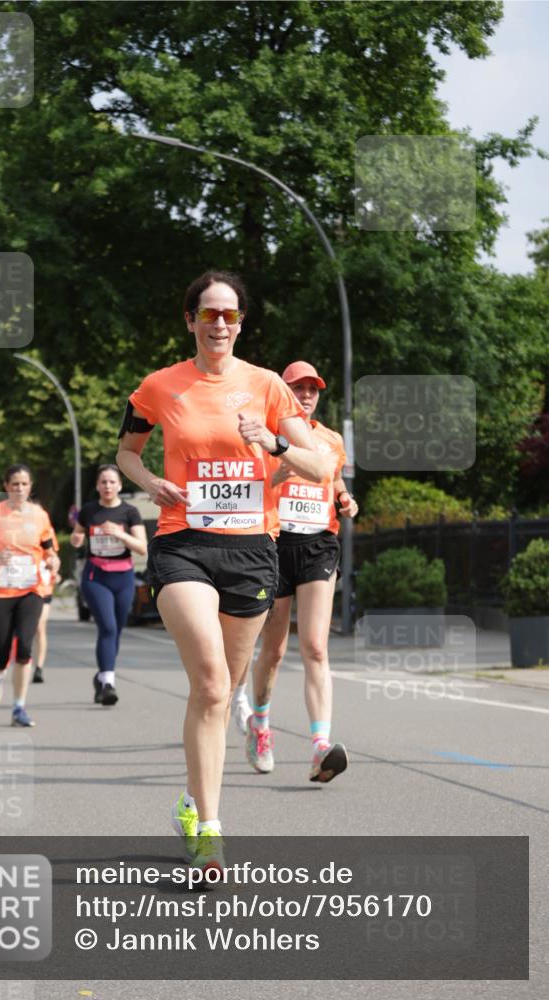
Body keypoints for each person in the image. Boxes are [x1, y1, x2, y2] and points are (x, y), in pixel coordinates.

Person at [117, 271, 336, 876]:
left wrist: (272, 442)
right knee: (213, 685)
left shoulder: (268, 386)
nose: (219, 323)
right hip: (182, 543)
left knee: (224, 688)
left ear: (240, 324)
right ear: (190, 320)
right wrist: (150, 482)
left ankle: (190, 803)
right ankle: (210, 833)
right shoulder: (160, 386)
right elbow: (127, 453)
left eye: (230, 315)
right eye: (208, 313)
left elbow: (319, 466)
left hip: (251, 552)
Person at [243, 361, 358, 783]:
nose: (307, 395)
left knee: (315, 647)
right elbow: (251, 491)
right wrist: (281, 471)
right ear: (284, 393)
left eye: (313, 389)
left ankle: (320, 747)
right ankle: (260, 724)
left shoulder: (330, 439)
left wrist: (345, 499)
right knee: (273, 651)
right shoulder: (264, 436)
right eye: (298, 388)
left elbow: (335, 480)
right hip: (275, 544)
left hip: (318, 545)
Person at [0, 464, 60, 727]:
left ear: (30, 487)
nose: (19, 488)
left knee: (24, 648)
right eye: (15, 484)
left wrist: (53, 561)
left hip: (31, 590)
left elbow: (50, 550)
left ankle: (19, 707)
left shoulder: (39, 515)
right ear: (6, 486)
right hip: (0, 591)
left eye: (24, 484)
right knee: (1, 652)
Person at [70, 465, 147, 705]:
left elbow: (142, 547)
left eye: (112, 482)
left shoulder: (130, 512)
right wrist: (76, 539)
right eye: (103, 482)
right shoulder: (89, 511)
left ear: (120, 485)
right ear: (97, 485)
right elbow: (76, 537)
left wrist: (120, 534)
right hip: (96, 576)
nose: (107, 486)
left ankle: (102, 675)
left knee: (116, 630)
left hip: (123, 577)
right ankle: (108, 683)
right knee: (108, 627)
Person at [31, 524, 60, 684]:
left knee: (40, 627)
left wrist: (53, 568)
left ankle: (39, 668)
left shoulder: (46, 531)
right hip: (20, 586)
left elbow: (53, 556)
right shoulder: (14, 530)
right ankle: (22, 659)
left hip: (43, 586)